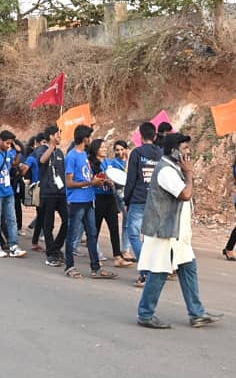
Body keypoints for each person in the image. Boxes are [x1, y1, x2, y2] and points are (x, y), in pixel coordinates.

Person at [136, 133, 216, 329]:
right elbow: (185, 194)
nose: (189, 152)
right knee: (159, 271)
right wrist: (189, 173)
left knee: (189, 268)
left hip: (178, 233)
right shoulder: (166, 172)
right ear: (174, 151)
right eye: (185, 148)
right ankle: (145, 313)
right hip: (165, 232)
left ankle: (197, 313)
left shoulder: (174, 168)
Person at [63, 125, 114, 279]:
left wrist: (101, 180)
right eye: (89, 137)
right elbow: (69, 183)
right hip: (77, 201)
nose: (90, 140)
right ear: (85, 138)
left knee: (92, 235)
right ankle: (69, 266)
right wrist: (91, 183)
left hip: (89, 199)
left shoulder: (85, 155)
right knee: (72, 235)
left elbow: (89, 176)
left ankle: (95, 268)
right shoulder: (71, 156)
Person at [124, 122, 163, 287]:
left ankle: (146, 270)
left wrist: (126, 199)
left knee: (133, 234)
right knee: (151, 236)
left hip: (139, 199)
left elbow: (131, 179)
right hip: (156, 199)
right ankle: (155, 268)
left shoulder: (137, 153)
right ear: (154, 136)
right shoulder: (161, 153)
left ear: (140, 136)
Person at [0, 130, 26, 258]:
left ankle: (14, 246)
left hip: (8, 191)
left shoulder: (7, 152)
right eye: (7, 143)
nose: (9, 146)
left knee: (12, 220)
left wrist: (18, 152)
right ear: (1, 140)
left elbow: (14, 164)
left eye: (10, 144)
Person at [91, 139, 130, 267]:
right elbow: (91, 179)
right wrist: (104, 179)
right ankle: (94, 257)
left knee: (114, 228)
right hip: (98, 197)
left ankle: (118, 257)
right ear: (96, 149)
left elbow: (121, 173)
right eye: (102, 147)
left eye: (105, 147)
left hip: (110, 197)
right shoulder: (91, 163)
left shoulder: (110, 162)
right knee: (95, 228)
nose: (104, 149)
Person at [33, 125, 68, 267]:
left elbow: (63, 172)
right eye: (57, 135)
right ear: (50, 136)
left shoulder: (60, 152)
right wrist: (51, 147)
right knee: (48, 225)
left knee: (68, 220)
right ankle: (50, 255)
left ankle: (56, 247)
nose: (59, 137)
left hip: (60, 192)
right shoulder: (41, 149)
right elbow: (42, 160)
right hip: (47, 192)